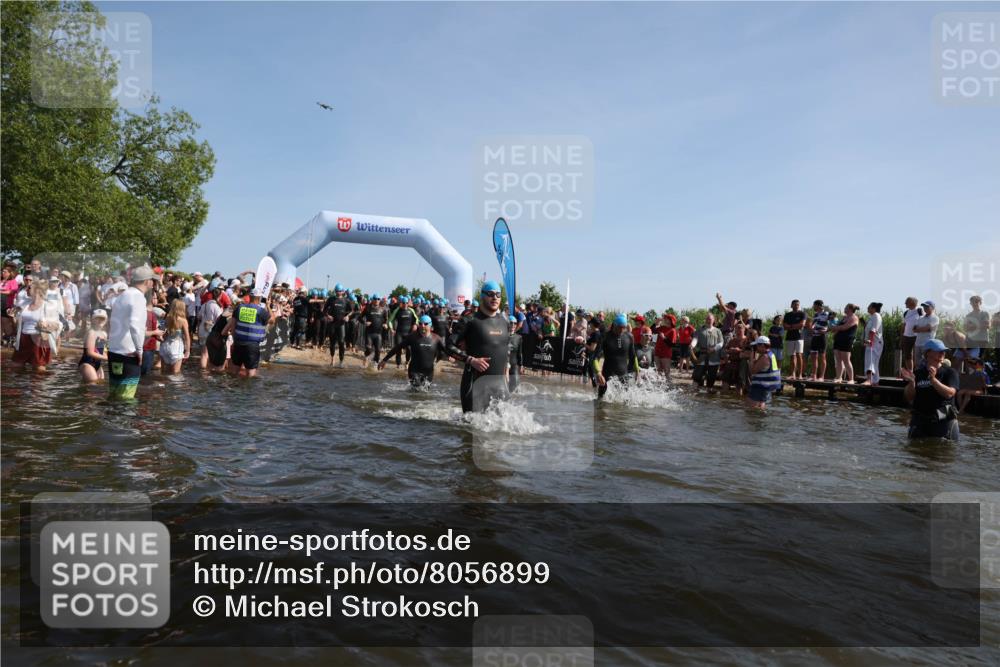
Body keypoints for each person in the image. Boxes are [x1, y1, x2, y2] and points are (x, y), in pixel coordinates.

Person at [446, 281, 510, 413]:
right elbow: (448, 345)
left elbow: (505, 348)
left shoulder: (505, 322)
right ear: (482, 296)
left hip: (499, 386)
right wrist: (471, 360)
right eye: (490, 294)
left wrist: (507, 367)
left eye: (498, 294)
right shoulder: (470, 320)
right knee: (470, 430)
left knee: (500, 430)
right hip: (474, 385)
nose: (495, 298)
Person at [107, 266, 157, 399]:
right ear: (147, 281)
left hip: (114, 351)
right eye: (152, 280)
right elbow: (135, 326)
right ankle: (124, 420)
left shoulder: (123, 295)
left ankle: (111, 419)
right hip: (129, 354)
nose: (153, 283)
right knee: (126, 397)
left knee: (114, 393)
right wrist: (140, 350)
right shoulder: (138, 297)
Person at [902, 338, 960, 440]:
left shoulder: (950, 372)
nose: (942, 353)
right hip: (921, 419)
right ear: (927, 353)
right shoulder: (918, 373)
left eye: (943, 351)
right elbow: (909, 397)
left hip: (942, 418)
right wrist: (911, 383)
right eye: (938, 350)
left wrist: (933, 380)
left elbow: (950, 393)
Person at [378, 314, 449, 387]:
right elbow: (397, 348)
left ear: (430, 325)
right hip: (414, 370)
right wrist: (384, 360)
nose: (423, 326)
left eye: (425, 324)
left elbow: (447, 350)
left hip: (429, 372)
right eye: (420, 324)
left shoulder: (436, 338)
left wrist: (452, 356)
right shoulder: (412, 337)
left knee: (426, 395)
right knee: (416, 389)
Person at [12, 280, 59, 371]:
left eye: (30, 288)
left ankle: (37, 385)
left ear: (37, 290)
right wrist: (13, 315)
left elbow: (57, 324)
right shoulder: (25, 304)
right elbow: (20, 320)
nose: (26, 289)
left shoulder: (48, 305)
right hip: (23, 338)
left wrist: (47, 324)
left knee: (38, 370)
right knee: (16, 366)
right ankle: (21, 385)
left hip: (39, 339)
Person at [221, 291, 271, 378]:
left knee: (234, 372)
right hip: (252, 345)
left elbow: (233, 326)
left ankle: (233, 389)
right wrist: (268, 306)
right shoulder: (261, 311)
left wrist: (233, 341)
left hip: (238, 343)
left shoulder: (239, 308)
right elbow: (272, 320)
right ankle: (248, 390)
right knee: (250, 374)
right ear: (259, 298)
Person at [593, 313, 639, 399]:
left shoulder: (629, 337)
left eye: (623, 327)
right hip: (607, 376)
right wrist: (598, 373)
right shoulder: (605, 336)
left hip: (624, 375)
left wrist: (637, 370)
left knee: (625, 404)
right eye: (619, 327)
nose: (621, 330)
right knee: (600, 402)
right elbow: (595, 358)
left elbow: (633, 356)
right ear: (614, 325)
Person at [324, 283, 355, 366]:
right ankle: (332, 359)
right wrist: (328, 316)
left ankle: (341, 361)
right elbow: (324, 310)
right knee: (332, 342)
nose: (338, 292)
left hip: (341, 324)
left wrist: (347, 316)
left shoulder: (346, 300)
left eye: (340, 291)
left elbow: (352, 311)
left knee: (341, 342)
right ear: (335, 291)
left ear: (343, 291)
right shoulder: (331, 299)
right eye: (337, 291)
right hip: (332, 324)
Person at [746, 336, 782, 408]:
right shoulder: (771, 354)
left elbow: (752, 370)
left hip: (761, 386)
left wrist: (751, 357)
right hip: (766, 386)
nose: (755, 348)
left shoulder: (765, 357)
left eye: (756, 346)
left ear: (762, 345)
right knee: (760, 408)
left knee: (751, 408)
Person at [159, 298, 191, 374]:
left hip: (165, 346)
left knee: (164, 372)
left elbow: (164, 333)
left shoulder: (167, 317)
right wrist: (188, 351)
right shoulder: (183, 320)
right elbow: (187, 337)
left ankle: (162, 385)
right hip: (176, 347)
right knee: (175, 374)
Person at [693, 313, 724, 389]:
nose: (708, 320)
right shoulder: (700, 329)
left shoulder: (718, 331)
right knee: (697, 377)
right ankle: (697, 395)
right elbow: (695, 338)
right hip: (702, 356)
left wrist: (714, 349)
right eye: (707, 319)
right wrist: (692, 345)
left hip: (714, 357)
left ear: (713, 320)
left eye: (710, 319)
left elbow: (721, 342)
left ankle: (709, 395)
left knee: (711, 378)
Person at [830, 303, 859, 383]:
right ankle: (839, 378)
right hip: (838, 340)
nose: (844, 308)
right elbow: (839, 328)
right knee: (838, 359)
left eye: (846, 307)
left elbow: (844, 327)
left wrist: (835, 328)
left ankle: (851, 379)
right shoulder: (844, 318)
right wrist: (834, 331)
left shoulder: (854, 318)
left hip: (847, 340)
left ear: (849, 309)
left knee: (846, 360)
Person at [78, 309, 109, 383]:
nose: (100, 320)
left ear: (106, 320)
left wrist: (108, 355)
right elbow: (90, 352)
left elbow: (102, 351)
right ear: (92, 320)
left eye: (102, 318)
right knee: (92, 386)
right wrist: (107, 358)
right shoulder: (91, 333)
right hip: (87, 363)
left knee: (98, 387)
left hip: (97, 364)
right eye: (97, 318)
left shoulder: (104, 334)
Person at [961, 295, 989, 372]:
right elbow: (966, 328)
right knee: (970, 360)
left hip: (982, 340)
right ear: (970, 303)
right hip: (971, 340)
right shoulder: (968, 315)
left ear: (980, 302)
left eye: (976, 301)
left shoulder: (984, 313)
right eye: (972, 302)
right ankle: (971, 378)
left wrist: (972, 326)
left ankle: (980, 377)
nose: (974, 303)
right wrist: (980, 324)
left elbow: (986, 325)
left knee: (979, 360)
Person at [388, 295, 417, 368]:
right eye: (403, 303)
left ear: (408, 303)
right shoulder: (397, 310)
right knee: (398, 349)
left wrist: (415, 325)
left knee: (409, 349)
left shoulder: (411, 310)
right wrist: (391, 329)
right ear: (401, 303)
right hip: (399, 333)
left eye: (406, 303)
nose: (405, 304)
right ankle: (398, 364)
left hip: (409, 334)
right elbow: (390, 321)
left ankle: (407, 362)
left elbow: (416, 319)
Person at [806, 300, 830, 381]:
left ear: (818, 305)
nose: (813, 307)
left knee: (822, 357)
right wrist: (811, 327)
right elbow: (813, 325)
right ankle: (814, 375)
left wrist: (826, 330)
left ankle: (822, 377)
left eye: (814, 305)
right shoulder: (815, 315)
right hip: (814, 337)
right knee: (813, 356)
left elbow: (832, 324)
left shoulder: (826, 314)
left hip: (822, 337)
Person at [782, 299, 806, 380]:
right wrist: (795, 326)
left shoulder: (802, 314)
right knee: (792, 356)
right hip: (790, 337)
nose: (796, 306)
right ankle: (792, 374)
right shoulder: (787, 315)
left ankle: (800, 375)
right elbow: (785, 326)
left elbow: (802, 325)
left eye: (798, 305)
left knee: (799, 355)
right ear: (791, 305)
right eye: (795, 304)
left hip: (799, 337)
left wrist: (791, 326)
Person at [861, 302, 884, 385]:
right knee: (873, 361)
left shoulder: (876, 316)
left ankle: (869, 380)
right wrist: (864, 323)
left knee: (870, 360)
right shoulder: (871, 317)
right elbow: (868, 328)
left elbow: (873, 330)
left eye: (869, 306)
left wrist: (870, 340)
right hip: (871, 342)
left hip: (875, 342)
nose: (867, 308)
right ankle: (875, 381)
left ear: (873, 308)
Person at [363, 294, 388, 368]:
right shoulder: (367, 308)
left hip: (378, 334)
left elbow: (386, 319)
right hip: (369, 333)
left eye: (378, 299)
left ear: (380, 300)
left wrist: (385, 324)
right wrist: (365, 322)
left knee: (378, 351)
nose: (377, 300)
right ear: (372, 299)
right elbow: (360, 317)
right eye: (375, 299)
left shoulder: (383, 309)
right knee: (368, 349)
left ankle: (375, 366)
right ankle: (366, 357)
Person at [900, 297, 920, 372]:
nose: (905, 303)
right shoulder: (906, 312)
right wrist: (901, 337)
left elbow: (923, 321)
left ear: (912, 302)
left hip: (916, 336)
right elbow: (903, 325)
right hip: (906, 336)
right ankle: (910, 372)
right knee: (907, 355)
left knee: (916, 355)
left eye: (906, 302)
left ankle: (917, 372)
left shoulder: (919, 310)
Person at [507, 315, 523, 392]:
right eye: (511, 323)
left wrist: (521, 365)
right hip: (503, 365)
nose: (513, 325)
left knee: (515, 389)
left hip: (514, 364)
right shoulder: (502, 336)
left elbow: (520, 353)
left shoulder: (518, 337)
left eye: (515, 323)